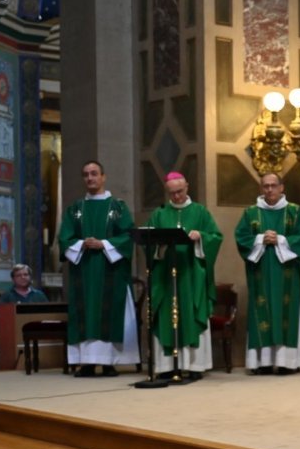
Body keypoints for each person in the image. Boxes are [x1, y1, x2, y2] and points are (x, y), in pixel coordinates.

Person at [58, 160, 139, 377]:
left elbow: (129, 235)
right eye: (86, 175)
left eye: (94, 174)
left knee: (109, 311)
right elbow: (64, 238)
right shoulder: (75, 209)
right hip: (83, 271)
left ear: (103, 177)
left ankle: (109, 362)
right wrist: (81, 244)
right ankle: (86, 362)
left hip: (110, 270)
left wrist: (103, 244)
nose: (90, 178)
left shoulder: (118, 207)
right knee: (85, 312)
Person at [145, 171, 223, 380]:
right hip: (165, 277)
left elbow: (216, 237)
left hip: (191, 275)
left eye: (179, 191)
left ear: (187, 187)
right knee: (165, 316)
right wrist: (158, 245)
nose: (177, 197)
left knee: (191, 312)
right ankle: (167, 366)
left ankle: (195, 365)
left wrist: (200, 237)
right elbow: (148, 241)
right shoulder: (159, 214)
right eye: (172, 193)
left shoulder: (200, 212)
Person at [236, 172, 300, 375]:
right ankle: (262, 362)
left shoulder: (295, 212)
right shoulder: (250, 213)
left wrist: (281, 240)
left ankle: (287, 362)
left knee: (285, 311)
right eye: (265, 186)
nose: (269, 189)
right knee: (262, 311)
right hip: (259, 270)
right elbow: (241, 237)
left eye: (273, 185)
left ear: (281, 187)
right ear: (261, 188)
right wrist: (260, 239)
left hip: (287, 271)